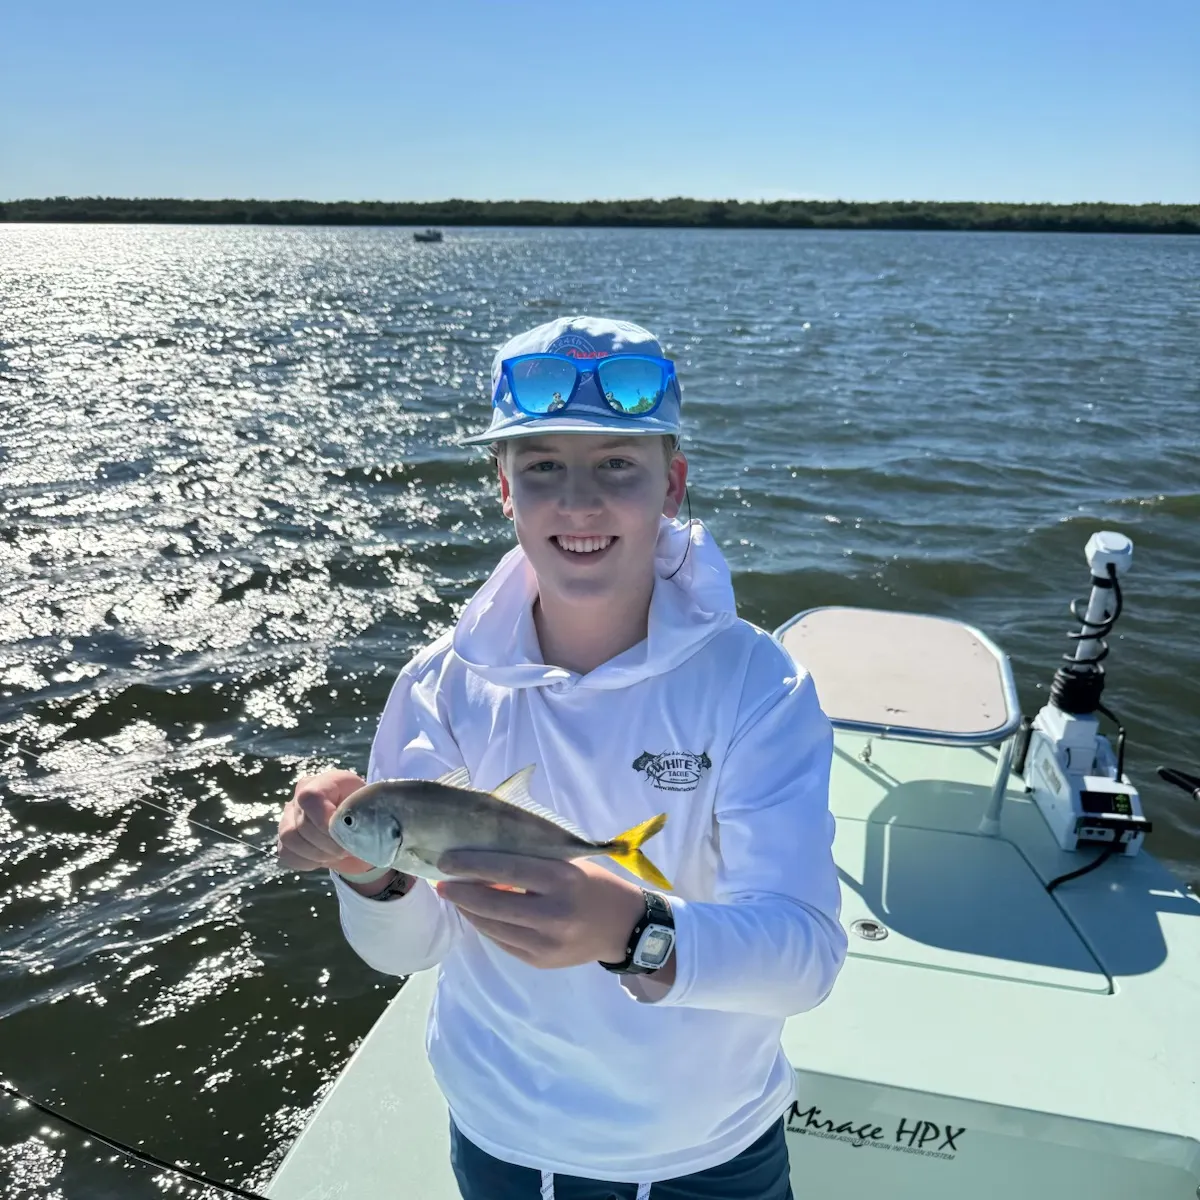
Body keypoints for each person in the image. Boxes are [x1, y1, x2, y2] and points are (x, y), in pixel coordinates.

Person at [276, 315, 846, 1199]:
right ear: (504, 490)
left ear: (673, 485)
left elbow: (805, 957)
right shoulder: (439, 686)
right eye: (542, 466)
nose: (578, 502)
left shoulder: (758, 686)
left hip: (712, 1156)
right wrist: (367, 876)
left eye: (618, 464)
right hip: (503, 1143)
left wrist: (634, 932)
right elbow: (411, 950)